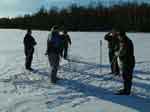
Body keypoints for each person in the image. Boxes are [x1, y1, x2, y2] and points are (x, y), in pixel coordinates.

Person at [115, 31, 135, 95]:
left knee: (127, 76)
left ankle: (126, 91)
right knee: (126, 76)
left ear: (121, 36)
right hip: (127, 61)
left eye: (118, 36)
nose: (118, 37)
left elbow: (122, 52)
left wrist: (117, 53)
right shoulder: (124, 41)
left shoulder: (125, 42)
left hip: (127, 62)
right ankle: (126, 89)